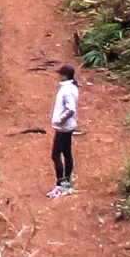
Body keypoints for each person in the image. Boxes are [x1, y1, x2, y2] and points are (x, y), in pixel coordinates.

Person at [48, 64, 80, 197]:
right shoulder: (73, 88)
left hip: (63, 128)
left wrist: (60, 120)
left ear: (65, 75)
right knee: (67, 154)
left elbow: (70, 109)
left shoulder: (66, 90)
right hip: (69, 127)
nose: (59, 76)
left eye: (61, 74)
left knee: (55, 155)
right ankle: (66, 183)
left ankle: (60, 185)